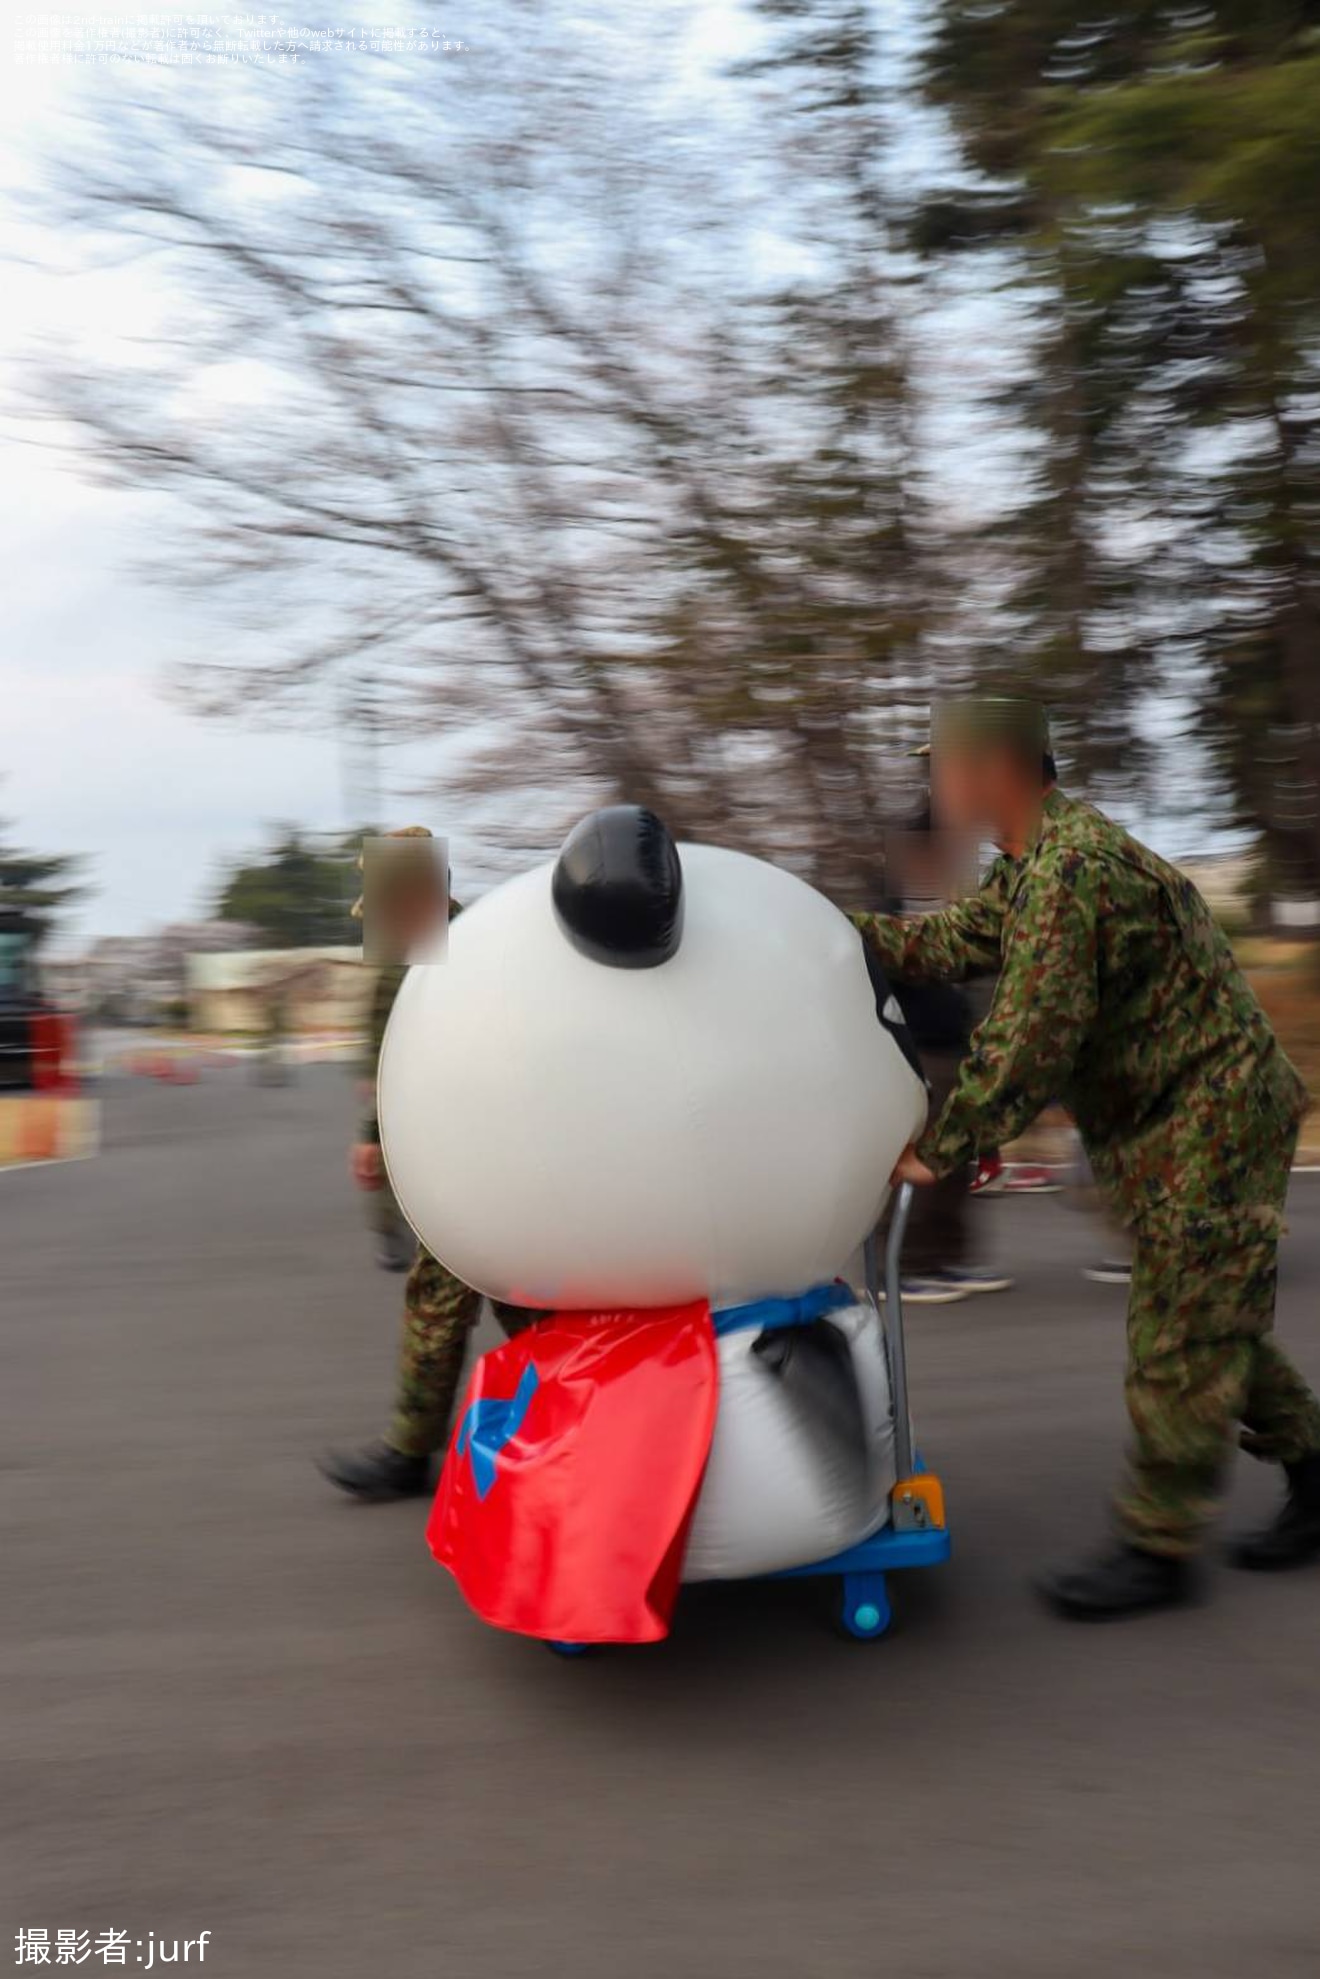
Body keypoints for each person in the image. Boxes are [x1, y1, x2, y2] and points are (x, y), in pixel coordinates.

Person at [853, 695, 1320, 1619]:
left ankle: (1158, 1545)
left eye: (944, 765)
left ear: (995, 770)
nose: (935, 783)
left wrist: (940, 1148)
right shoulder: (1031, 866)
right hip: (1171, 1120)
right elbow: (954, 940)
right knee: (1210, 1317)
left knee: (1178, 1339)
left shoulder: (1072, 870)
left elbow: (1031, 1038)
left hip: (1212, 1116)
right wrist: (841, 935)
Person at [322, 828, 539, 1501]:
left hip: (485, 1155)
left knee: (468, 1291)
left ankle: (411, 1452)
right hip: (487, 1152)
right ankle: (569, 1419)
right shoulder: (470, 938)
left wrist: (371, 1133)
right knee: (518, 1299)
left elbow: (406, 1051)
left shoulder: (446, 949)